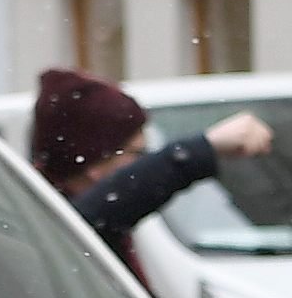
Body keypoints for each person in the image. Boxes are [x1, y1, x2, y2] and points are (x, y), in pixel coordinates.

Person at [30, 68, 273, 280]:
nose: (144, 164)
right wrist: (202, 148)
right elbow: (92, 215)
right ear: (94, 163)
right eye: (136, 153)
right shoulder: (52, 229)